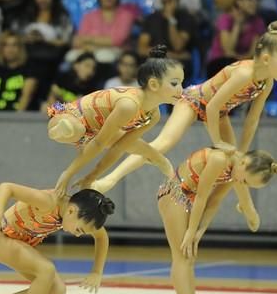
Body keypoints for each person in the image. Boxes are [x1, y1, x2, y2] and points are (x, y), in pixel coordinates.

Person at [91, 22, 277, 195]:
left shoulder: (267, 82)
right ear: (266, 59)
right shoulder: (243, 74)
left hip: (219, 112)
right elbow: (212, 106)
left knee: (235, 162)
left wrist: (241, 151)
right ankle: (111, 179)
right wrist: (217, 142)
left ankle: (243, 205)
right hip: (195, 101)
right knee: (163, 143)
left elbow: (252, 120)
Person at [158, 147, 277, 294]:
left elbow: (213, 201)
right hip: (175, 194)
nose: (243, 184)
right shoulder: (219, 159)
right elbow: (201, 196)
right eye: (246, 181)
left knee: (189, 257)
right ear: (243, 162)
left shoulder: (234, 170)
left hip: (188, 198)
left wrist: (199, 232)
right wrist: (191, 231)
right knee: (182, 256)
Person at [47, 46, 183, 196]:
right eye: (175, 83)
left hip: (97, 131)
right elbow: (98, 143)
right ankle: (60, 130)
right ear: (154, 84)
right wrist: (68, 173)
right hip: (71, 116)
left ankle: (167, 168)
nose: (181, 90)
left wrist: (91, 177)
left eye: (181, 83)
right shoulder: (128, 104)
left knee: (145, 150)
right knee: (74, 129)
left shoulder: (153, 115)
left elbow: (119, 148)